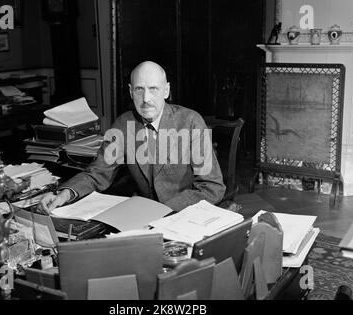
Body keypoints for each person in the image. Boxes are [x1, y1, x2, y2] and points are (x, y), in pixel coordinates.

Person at [38, 61, 225, 214]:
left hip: (183, 214)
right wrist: (64, 194)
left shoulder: (190, 122)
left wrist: (165, 209)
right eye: (139, 90)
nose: (146, 98)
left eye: (153, 89)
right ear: (130, 92)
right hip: (140, 215)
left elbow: (212, 187)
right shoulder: (123, 125)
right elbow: (98, 173)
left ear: (166, 90)